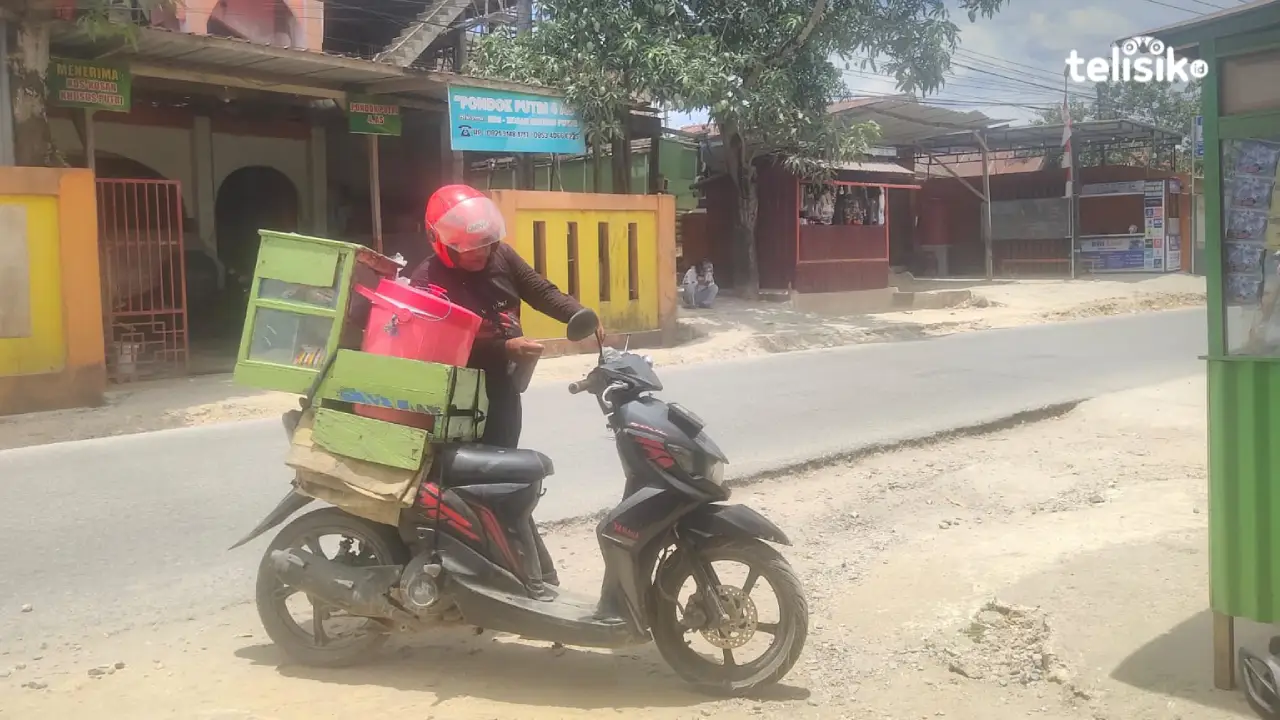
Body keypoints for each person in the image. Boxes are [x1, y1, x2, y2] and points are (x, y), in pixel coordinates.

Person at [408, 184, 596, 587]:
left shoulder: (501, 255)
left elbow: (539, 289)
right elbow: (439, 340)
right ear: (442, 243)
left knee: (506, 479)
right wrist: (504, 345)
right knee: (472, 484)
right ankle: (480, 572)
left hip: (504, 390)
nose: (481, 253)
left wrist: (580, 315)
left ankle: (505, 571)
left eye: (487, 244)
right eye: (471, 248)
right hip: (456, 399)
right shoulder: (427, 279)